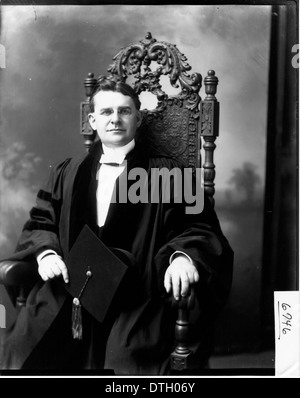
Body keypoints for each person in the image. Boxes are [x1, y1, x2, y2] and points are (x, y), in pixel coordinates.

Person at [0, 77, 233, 375]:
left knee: (124, 360)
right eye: (107, 112)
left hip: (137, 295)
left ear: (137, 117)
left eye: (124, 111)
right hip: (70, 289)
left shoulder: (170, 172)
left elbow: (199, 226)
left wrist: (182, 257)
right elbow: (41, 220)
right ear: (93, 120)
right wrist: (46, 254)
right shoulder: (67, 172)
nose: (115, 119)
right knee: (22, 349)